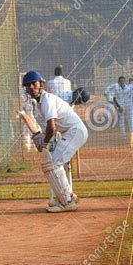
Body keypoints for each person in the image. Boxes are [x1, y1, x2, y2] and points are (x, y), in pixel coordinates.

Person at [22, 70, 87, 213]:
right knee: (54, 163)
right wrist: (46, 138)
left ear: (41, 84)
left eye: (34, 83)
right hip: (71, 132)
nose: (31, 87)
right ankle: (67, 196)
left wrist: (45, 144)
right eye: (28, 85)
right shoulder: (41, 103)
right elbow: (52, 127)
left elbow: (51, 127)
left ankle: (67, 202)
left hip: (75, 131)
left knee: (53, 163)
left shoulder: (46, 100)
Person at [105, 76, 130, 140]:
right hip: (119, 107)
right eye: (120, 82)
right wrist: (119, 107)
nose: (122, 83)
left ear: (125, 82)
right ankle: (123, 136)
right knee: (121, 122)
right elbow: (114, 98)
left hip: (127, 107)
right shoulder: (116, 87)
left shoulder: (127, 88)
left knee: (129, 121)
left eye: (123, 81)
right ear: (118, 82)